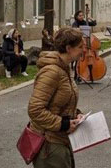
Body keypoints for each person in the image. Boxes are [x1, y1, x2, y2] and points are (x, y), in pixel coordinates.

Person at [28, 28, 84, 168]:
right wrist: (63, 124)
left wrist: (76, 115)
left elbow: (61, 101)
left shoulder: (64, 68)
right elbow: (35, 110)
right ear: (68, 48)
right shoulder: (52, 72)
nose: (84, 50)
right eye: (80, 47)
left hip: (60, 140)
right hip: (49, 144)